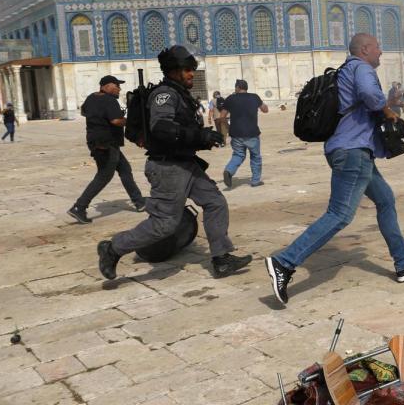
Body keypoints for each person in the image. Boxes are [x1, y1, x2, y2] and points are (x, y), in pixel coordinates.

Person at [265, 34, 404, 306]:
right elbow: (368, 94)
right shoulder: (361, 68)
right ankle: (284, 262)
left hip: (351, 150)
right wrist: (388, 111)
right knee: (340, 214)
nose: (381, 52)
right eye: (378, 47)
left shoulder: (345, 70)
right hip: (353, 152)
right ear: (365, 50)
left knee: (385, 199)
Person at [97, 46, 252, 280]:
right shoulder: (165, 94)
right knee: (165, 224)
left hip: (186, 164)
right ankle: (113, 248)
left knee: (215, 202)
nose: (191, 74)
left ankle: (222, 258)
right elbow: (161, 128)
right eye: (187, 70)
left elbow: (181, 129)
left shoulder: (180, 93)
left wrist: (205, 138)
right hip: (168, 168)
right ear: (174, 71)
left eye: (192, 70)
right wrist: (199, 137)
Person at [67, 75, 146, 224]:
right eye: (117, 85)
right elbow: (116, 120)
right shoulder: (109, 100)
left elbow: (84, 112)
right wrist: (130, 122)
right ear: (107, 86)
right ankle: (79, 207)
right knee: (104, 176)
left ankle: (139, 202)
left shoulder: (91, 98)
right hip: (106, 144)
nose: (119, 89)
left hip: (99, 142)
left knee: (125, 170)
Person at [221, 79, 269, 188]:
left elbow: (222, 116)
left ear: (237, 87)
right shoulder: (254, 97)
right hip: (252, 132)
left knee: (238, 155)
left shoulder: (231, 98)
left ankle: (229, 171)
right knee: (255, 157)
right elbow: (265, 110)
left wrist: (228, 128)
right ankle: (255, 181)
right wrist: (262, 104)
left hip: (236, 133)